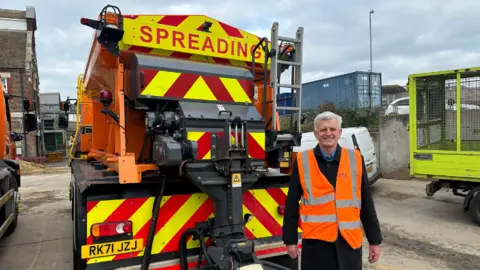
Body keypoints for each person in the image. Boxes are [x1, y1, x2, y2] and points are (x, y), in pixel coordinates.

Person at [282, 111, 383, 270]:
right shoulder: (302, 161)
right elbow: (291, 204)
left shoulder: (355, 159)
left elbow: (366, 202)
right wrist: (290, 240)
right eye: (323, 130)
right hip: (316, 246)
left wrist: (374, 240)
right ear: (316, 134)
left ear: (340, 132)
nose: (328, 133)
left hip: (349, 244)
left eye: (332, 129)